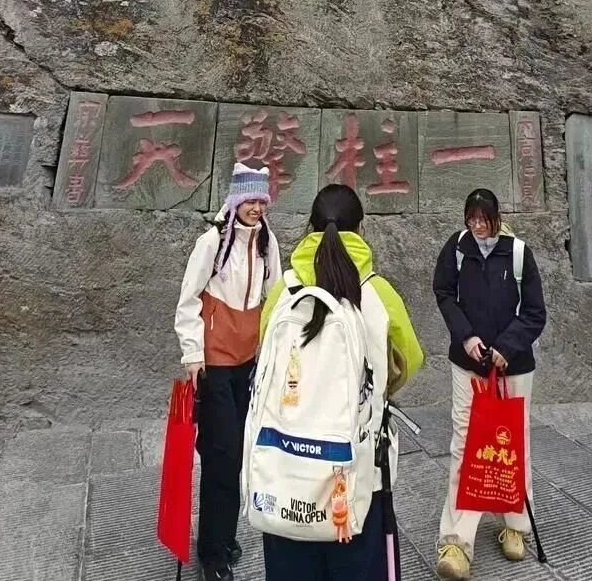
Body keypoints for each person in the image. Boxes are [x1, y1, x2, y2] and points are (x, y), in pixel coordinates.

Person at [259, 182, 424, 581]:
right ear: (360, 229)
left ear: (310, 228)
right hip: (356, 474)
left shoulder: (284, 289)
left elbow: (263, 354)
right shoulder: (377, 292)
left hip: (286, 472)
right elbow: (410, 360)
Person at [174, 163, 282, 581]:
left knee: (239, 453)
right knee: (221, 456)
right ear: (235, 201)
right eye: (249, 200)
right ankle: (212, 553)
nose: (256, 208)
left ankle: (223, 535)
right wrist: (192, 354)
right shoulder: (211, 241)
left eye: (261, 200)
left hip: (248, 362)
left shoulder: (267, 240)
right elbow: (188, 300)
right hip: (215, 363)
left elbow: (275, 294)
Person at [433, 188, 546, 580]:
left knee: (513, 443)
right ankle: (456, 540)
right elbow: (444, 293)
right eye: (472, 218)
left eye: (484, 219)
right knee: (465, 442)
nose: (478, 226)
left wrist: (506, 347)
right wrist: (466, 336)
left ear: (498, 217)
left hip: (513, 367)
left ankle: (515, 525)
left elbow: (535, 313)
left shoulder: (518, 253)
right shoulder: (457, 248)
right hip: (468, 364)